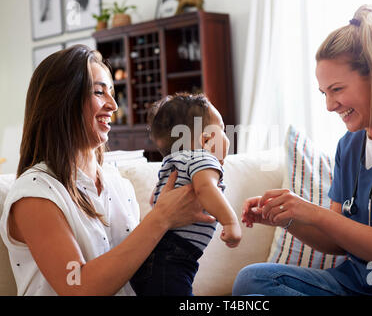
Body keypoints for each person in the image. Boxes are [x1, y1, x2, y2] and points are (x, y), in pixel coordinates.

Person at [233, 4, 372, 296]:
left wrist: (313, 212)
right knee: (254, 280)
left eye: (337, 89)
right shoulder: (348, 147)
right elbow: (335, 243)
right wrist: (288, 218)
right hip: (354, 284)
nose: (329, 105)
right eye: (324, 93)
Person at [0, 45, 215, 296]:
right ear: (61, 102)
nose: (113, 105)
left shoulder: (117, 183)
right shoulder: (34, 194)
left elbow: (136, 269)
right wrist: (161, 218)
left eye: (112, 92)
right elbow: (79, 286)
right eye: (99, 92)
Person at [130, 93, 241, 296]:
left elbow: (154, 198)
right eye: (223, 130)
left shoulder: (174, 162)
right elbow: (205, 188)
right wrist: (230, 222)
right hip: (174, 257)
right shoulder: (203, 157)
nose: (227, 138)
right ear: (206, 139)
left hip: (155, 253)